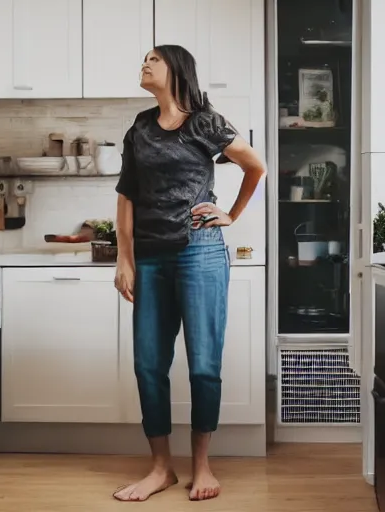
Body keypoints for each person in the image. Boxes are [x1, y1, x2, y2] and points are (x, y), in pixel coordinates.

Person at [112, 45, 266, 502]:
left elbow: (255, 167)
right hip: (152, 257)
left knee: (203, 366)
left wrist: (231, 215)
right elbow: (126, 196)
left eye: (153, 59)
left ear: (177, 69)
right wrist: (125, 256)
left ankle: (202, 467)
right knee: (147, 366)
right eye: (142, 58)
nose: (144, 63)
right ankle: (161, 468)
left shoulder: (206, 121)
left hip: (200, 252)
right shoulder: (139, 128)